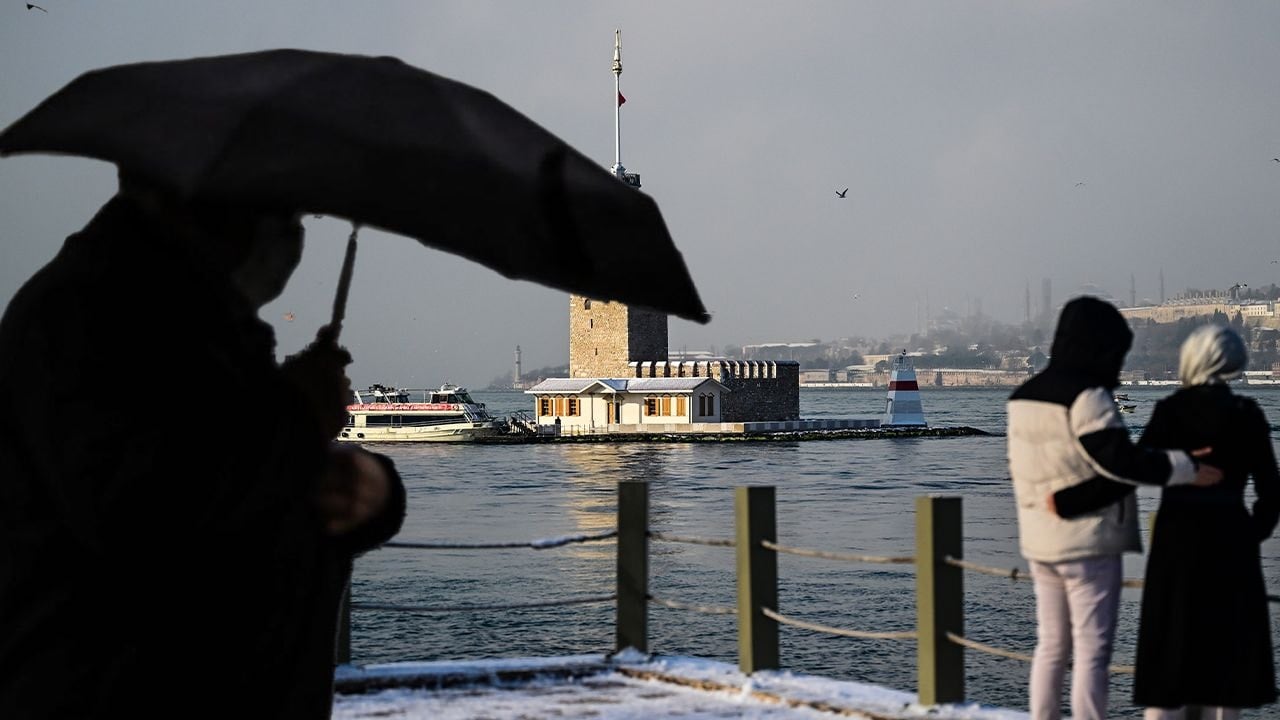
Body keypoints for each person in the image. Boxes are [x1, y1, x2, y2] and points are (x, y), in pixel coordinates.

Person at [0, 173, 407, 718]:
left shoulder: (202, 326)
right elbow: (153, 514)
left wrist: (373, 491)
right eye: (278, 212)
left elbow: (257, 475)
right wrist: (297, 413)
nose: (293, 236)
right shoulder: (85, 320)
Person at [1007, 295, 1222, 720]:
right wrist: (1186, 467)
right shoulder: (1088, 397)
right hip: (1089, 539)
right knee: (1093, 650)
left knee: (1051, 646)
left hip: (1039, 538)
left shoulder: (1022, 397)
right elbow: (1120, 461)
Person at [1132, 325, 1279, 719]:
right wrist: (1252, 533)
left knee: (1171, 651)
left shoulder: (1170, 410)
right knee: (1227, 659)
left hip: (1177, 540)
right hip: (1232, 536)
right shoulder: (1247, 413)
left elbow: (1141, 465)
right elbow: (1271, 491)